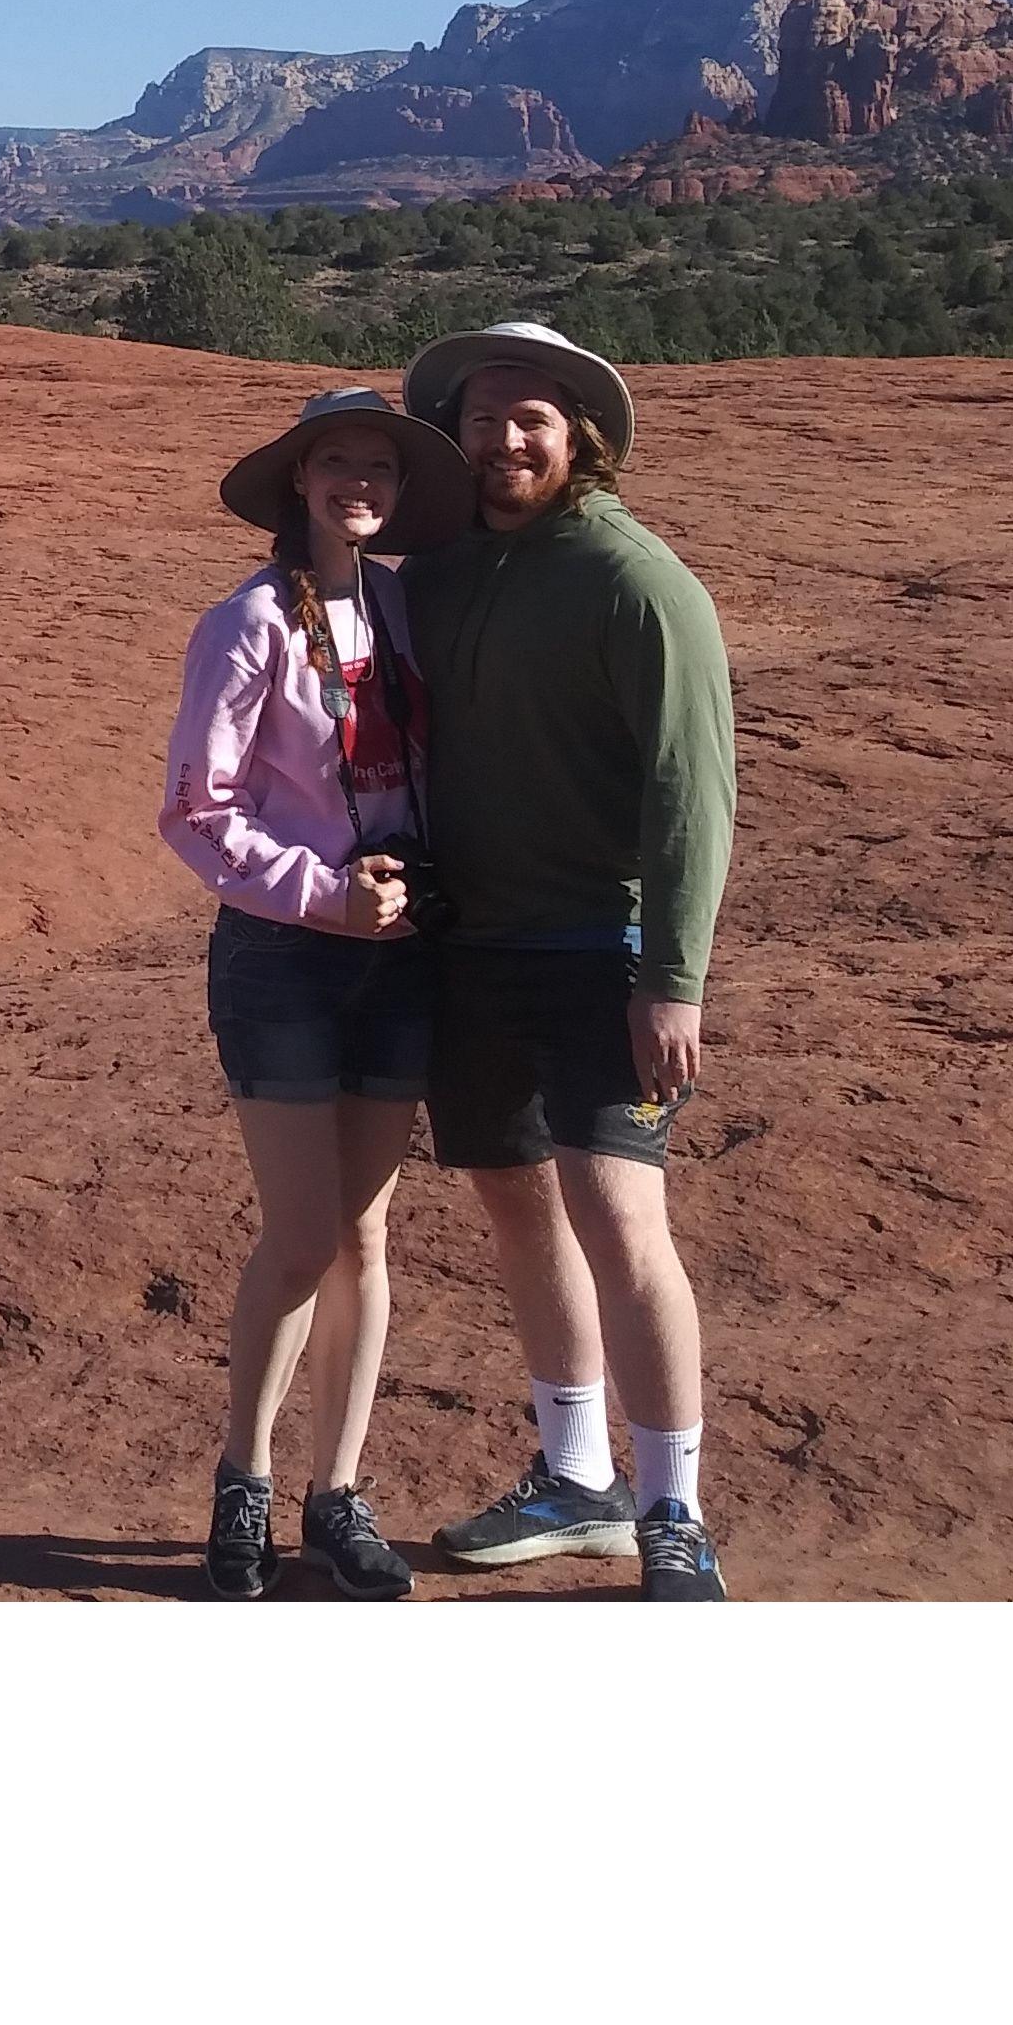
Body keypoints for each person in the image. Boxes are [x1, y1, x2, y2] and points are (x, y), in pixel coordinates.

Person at [395, 319, 737, 1601]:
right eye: (478, 421)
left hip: (602, 944)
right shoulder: (441, 567)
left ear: (576, 432)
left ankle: (670, 1509)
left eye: (527, 419)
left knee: (617, 1213)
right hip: (471, 945)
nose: (499, 443)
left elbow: (690, 793)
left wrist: (674, 979)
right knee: (516, 1202)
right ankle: (575, 1473)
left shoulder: (634, 580)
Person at [158, 382, 475, 1599]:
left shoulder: (399, 604)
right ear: (295, 479)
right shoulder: (244, 623)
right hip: (285, 957)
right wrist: (317, 892)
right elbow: (195, 807)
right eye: (336, 463)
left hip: (399, 947)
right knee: (298, 1235)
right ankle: (241, 1478)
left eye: (379, 469)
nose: (359, 483)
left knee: (362, 1234)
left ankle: (334, 1493)